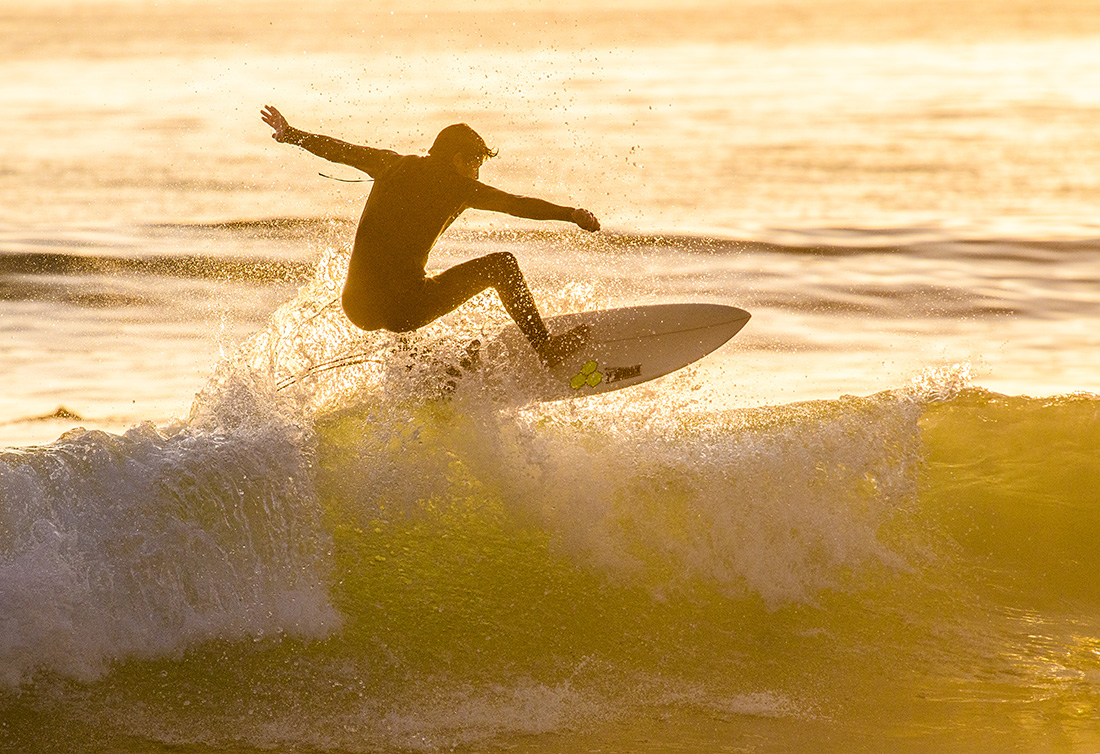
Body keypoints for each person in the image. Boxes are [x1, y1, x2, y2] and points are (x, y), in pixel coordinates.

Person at [260, 105, 600, 367]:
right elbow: (517, 204)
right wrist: (568, 214)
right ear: (458, 160)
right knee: (503, 266)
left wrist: (290, 133)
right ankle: (546, 349)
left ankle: (420, 367)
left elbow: (341, 150)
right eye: (476, 163)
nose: (478, 173)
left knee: (409, 284)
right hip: (403, 310)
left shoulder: (390, 164)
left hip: (357, 306)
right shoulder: (461, 188)